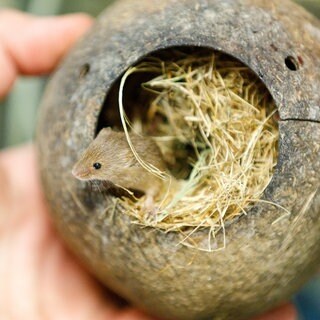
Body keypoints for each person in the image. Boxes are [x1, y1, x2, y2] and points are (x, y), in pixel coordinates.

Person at [0, 9, 297, 320]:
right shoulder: (113, 145)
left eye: (96, 167)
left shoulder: (137, 167)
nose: (82, 173)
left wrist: (152, 199)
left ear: (128, 161)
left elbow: (159, 182)